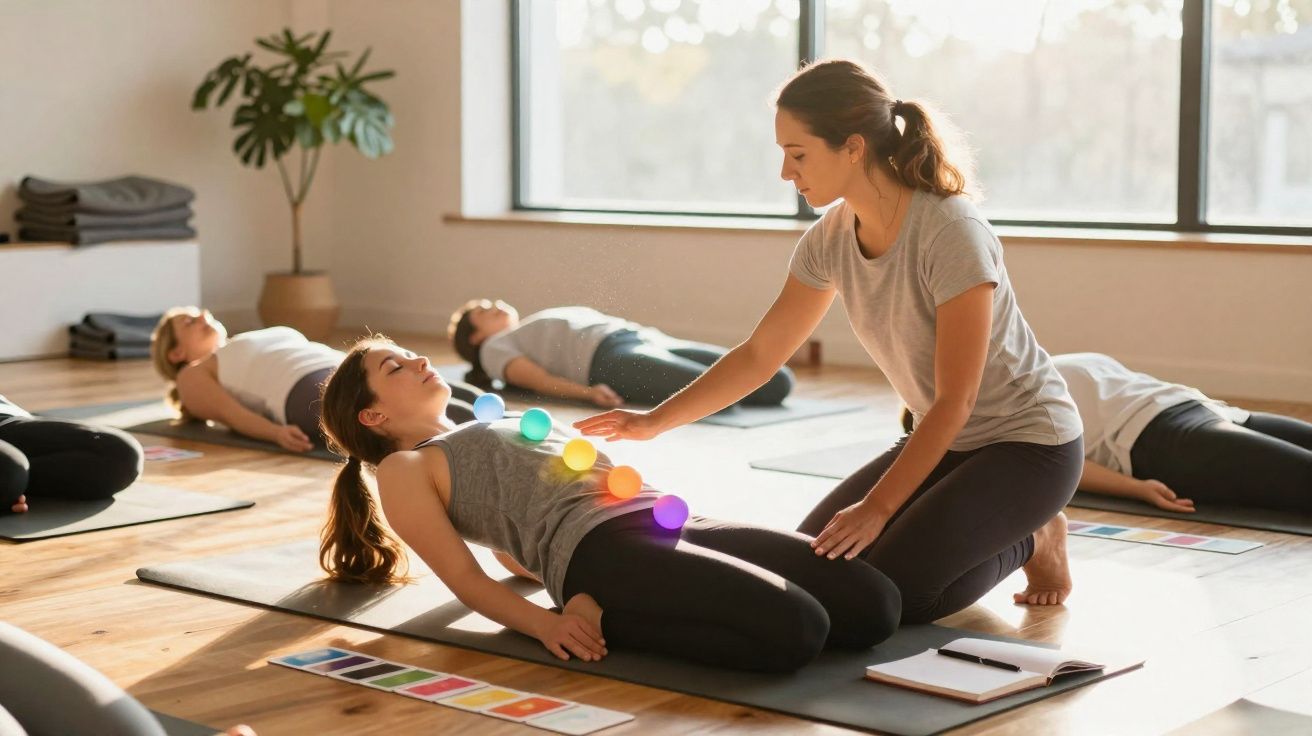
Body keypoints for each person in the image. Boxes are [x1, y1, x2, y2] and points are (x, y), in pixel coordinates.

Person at [576, 59, 1085, 619]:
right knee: (805, 567)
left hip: (1028, 445)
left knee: (899, 595)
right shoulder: (830, 239)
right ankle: (997, 526)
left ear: (853, 148)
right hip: (946, 443)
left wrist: (877, 507)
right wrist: (653, 421)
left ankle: (1033, 537)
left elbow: (956, 400)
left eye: (798, 154)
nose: (785, 173)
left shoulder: (950, 231)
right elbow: (760, 355)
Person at [316, 336, 900, 672]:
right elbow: (465, 578)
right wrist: (549, 623)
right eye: (394, 367)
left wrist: (528, 563)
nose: (419, 360)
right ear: (374, 417)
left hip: (666, 516)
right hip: (600, 553)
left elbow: (506, 538)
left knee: (874, 604)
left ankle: (648, 602)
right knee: (798, 631)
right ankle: (614, 620)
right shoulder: (403, 468)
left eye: (409, 353)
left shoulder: (478, 425)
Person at [150, 307, 483, 452]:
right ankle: (502, 438)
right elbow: (229, 414)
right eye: (189, 322)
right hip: (302, 389)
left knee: (456, 394)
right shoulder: (192, 375)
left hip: (341, 368)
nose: (202, 316)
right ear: (175, 353)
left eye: (199, 313)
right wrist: (274, 433)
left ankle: (504, 428)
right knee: (456, 413)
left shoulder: (241, 341)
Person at [1051, 352, 1311, 514]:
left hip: (1205, 408)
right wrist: (1136, 489)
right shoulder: (1012, 402)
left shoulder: (1038, 364)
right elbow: (1060, 463)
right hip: (1161, 439)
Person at [448, 300, 794, 408]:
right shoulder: (495, 348)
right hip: (611, 362)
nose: (492, 304)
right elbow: (533, 378)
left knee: (778, 379)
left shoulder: (524, 329)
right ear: (476, 337)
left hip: (644, 339)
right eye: (481, 309)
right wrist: (587, 393)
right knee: (720, 393)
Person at [0, 394, 142, 514]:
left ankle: (15, 484)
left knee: (121, 454)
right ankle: (12, 484)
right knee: (10, 472)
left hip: (7, 418)